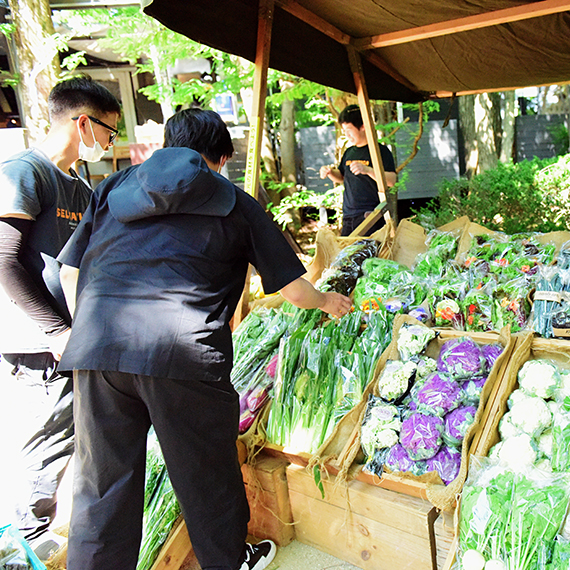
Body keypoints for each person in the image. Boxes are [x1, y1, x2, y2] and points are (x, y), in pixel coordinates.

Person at [57, 108, 353, 570]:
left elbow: (69, 269)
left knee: (101, 484)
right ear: (218, 158)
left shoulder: (113, 187)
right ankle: (229, 562)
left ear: (170, 143)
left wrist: (90, 332)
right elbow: (294, 290)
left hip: (96, 349)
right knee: (205, 475)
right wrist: (327, 302)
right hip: (180, 352)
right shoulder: (234, 200)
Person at [0, 75, 121, 544]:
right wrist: (54, 333)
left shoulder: (77, 184)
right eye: (109, 133)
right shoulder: (24, 173)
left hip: (75, 337)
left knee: (73, 438)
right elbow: (5, 260)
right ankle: (24, 544)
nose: (109, 144)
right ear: (84, 123)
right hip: (39, 343)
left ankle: (46, 532)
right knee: (45, 445)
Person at [319, 104, 397, 236]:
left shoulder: (380, 151)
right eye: (344, 130)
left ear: (362, 127)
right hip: (348, 215)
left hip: (370, 215)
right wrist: (330, 173)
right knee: (347, 254)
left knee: (367, 254)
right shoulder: (349, 152)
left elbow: (391, 181)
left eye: (349, 130)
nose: (347, 135)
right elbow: (342, 177)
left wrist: (367, 170)